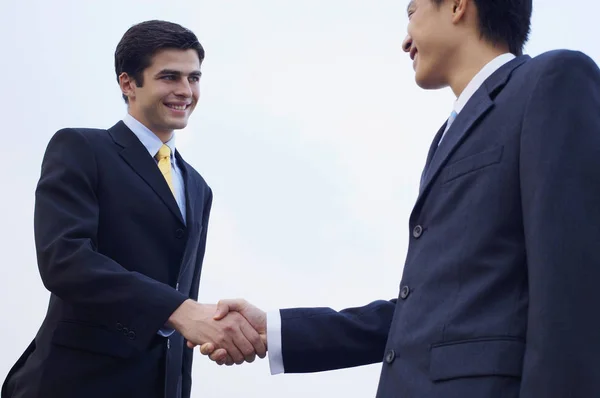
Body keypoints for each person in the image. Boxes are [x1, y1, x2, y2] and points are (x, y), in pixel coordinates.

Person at [200, 0, 600, 396]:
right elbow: (423, 313)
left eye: (411, 14)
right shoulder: (445, 137)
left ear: (459, 6)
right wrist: (275, 331)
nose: (405, 42)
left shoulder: (553, 80)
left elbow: (573, 283)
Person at [1, 20, 265, 398]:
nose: (185, 91)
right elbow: (65, 261)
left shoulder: (197, 186)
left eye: (194, 78)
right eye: (170, 77)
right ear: (128, 84)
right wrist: (178, 310)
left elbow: (182, 291)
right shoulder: (81, 149)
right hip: (73, 382)